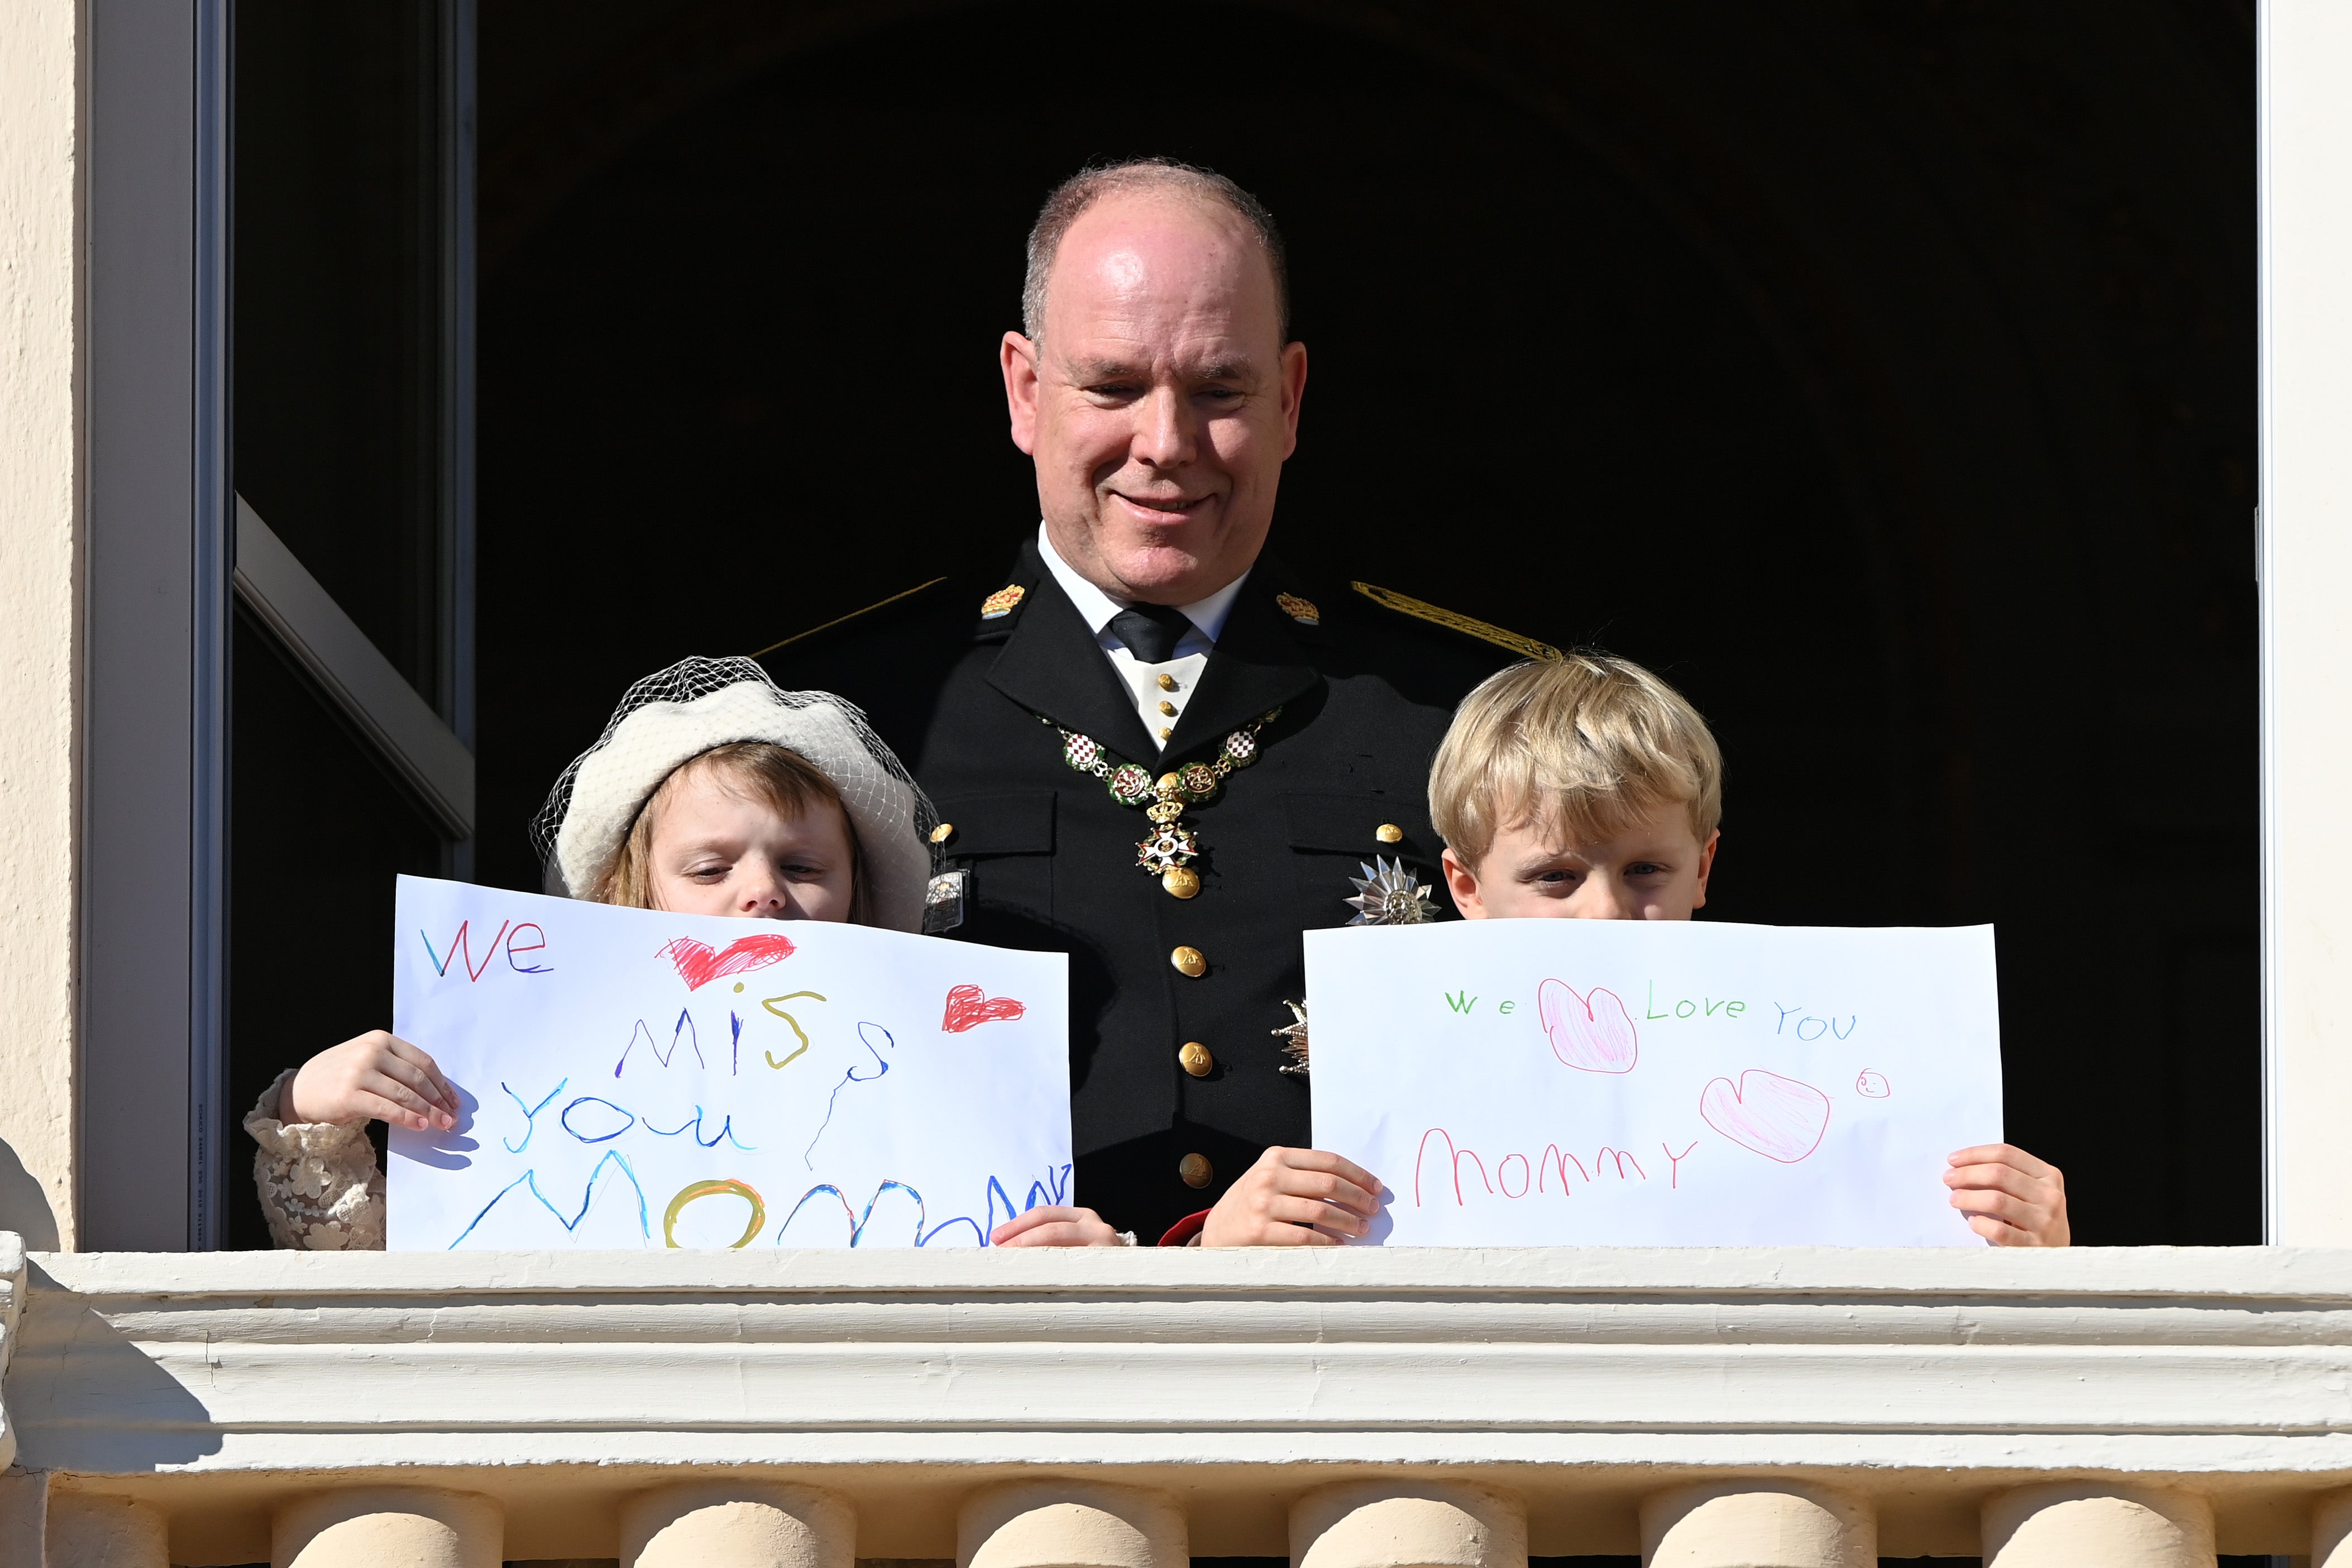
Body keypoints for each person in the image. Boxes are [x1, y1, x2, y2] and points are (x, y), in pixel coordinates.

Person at [767, 159, 1551, 1247]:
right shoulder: (833, 717)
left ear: (1291, 400)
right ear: (1025, 391)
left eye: (1220, 391)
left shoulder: (1467, 715)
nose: (1167, 444)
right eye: (1115, 385)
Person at [244, 658, 937, 1250]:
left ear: (859, 894)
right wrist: (314, 1116)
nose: (762, 892)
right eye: (708, 870)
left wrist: (1040, 1254)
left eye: (804, 867)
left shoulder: (922, 1076)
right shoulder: (529, 1068)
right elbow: (373, 1271)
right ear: (629, 894)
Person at [1425, 653, 2070, 1247]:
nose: (1606, 913)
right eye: (1555, 877)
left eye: (1646, 869)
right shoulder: (1419, 1085)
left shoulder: (1805, 1053)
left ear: (1703, 868)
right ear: (1467, 887)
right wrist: (1326, 1243)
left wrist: (2039, 1251)